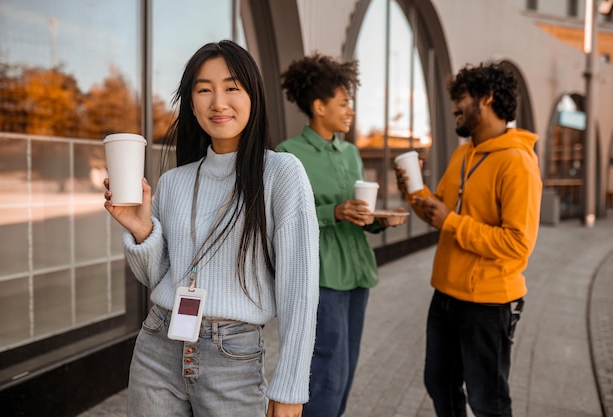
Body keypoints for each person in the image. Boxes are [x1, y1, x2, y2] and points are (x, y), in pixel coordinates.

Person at [103, 40, 320, 417]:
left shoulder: (282, 174)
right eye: (204, 89)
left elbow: (299, 290)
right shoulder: (173, 182)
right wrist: (141, 231)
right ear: (191, 102)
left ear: (253, 95)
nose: (218, 102)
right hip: (158, 346)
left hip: (232, 358)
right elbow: (158, 278)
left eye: (232, 87)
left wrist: (290, 386)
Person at [395, 63, 542, 417]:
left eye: (460, 99)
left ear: (487, 98)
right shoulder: (463, 155)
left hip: (489, 304)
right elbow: (440, 214)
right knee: (439, 385)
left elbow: (517, 243)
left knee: (487, 401)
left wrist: (452, 222)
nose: (454, 108)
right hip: (446, 296)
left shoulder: (518, 163)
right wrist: (413, 192)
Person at [276, 53, 407, 417]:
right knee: (327, 372)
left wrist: (381, 219)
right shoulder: (289, 155)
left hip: (357, 271)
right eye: (343, 103)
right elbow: (284, 220)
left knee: (347, 367)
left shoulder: (350, 153)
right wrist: (332, 212)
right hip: (322, 275)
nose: (350, 111)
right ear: (319, 106)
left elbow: (357, 213)